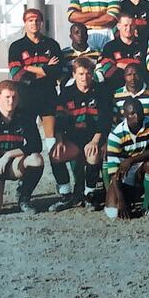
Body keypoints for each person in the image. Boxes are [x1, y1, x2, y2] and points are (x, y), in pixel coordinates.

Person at [0, 81, 45, 215]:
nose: (11, 101)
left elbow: (36, 145)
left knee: (36, 159)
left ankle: (24, 197)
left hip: (12, 164)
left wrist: (8, 155)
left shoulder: (25, 117)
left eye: (14, 97)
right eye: (7, 97)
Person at [49, 57, 112, 212]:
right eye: (81, 73)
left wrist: (96, 141)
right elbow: (60, 121)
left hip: (94, 137)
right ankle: (66, 194)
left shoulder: (101, 92)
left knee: (93, 153)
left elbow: (105, 121)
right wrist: (59, 140)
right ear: (74, 74)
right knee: (55, 154)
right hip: (74, 138)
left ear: (92, 74)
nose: (85, 77)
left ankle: (89, 194)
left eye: (88, 73)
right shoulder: (66, 93)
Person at [8, 8, 61, 154]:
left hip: (48, 96)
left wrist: (30, 68)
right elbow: (17, 75)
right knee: (32, 144)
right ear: (25, 23)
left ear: (42, 23)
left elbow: (57, 72)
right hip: (26, 98)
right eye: (30, 20)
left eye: (37, 20)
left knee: (53, 143)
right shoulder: (16, 47)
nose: (34, 23)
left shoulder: (52, 45)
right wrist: (45, 70)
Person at [103, 99, 149, 220]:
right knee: (112, 213)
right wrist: (121, 200)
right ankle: (126, 199)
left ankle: (147, 207)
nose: (136, 116)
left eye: (138, 112)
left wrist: (131, 160)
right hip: (123, 174)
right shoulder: (116, 135)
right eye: (131, 114)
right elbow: (113, 172)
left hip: (142, 168)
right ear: (125, 115)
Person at [97, 12, 145, 93]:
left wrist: (121, 65)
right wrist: (132, 69)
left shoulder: (143, 45)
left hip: (139, 89)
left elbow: (144, 69)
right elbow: (107, 70)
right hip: (115, 89)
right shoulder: (110, 47)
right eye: (125, 25)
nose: (129, 29)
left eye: (131, 25)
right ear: (118, 26)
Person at [60, 22, 102, 86]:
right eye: (76, 32)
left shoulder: (97, 54)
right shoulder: (63, 54)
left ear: (87, 36)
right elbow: (61, 76)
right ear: (71, 36)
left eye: (83, 33)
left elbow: (100, 75)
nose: (80, 35)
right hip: (70, 91)